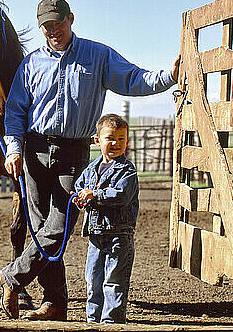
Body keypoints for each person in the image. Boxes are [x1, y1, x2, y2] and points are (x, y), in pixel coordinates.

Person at [0, 0, 180, 320]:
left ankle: (12, 276)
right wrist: (13, 148)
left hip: (74, 153)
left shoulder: (98, 56)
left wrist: (168, 76)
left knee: (61, 226)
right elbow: (15, 111)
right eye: (47, 26)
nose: (54, 31)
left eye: (59, 23)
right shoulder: (31, 64)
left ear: (71, 19)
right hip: (35, 151)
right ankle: (55, 303)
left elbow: (133, 78)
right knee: (41, 230)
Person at [73, 114, 137, 323]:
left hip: (119, 235)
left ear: (127, 142)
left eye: (121, 139)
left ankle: (111, 322)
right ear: (97, 140)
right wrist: (78, 197)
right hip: (95, 236)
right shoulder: (91, 168)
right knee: (93, 279)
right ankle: (93, 319)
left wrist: (94, 195)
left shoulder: (127, 171)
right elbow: (79, 186)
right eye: (110, 138)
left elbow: (121, 195)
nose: (116, 144)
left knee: (114, 281)